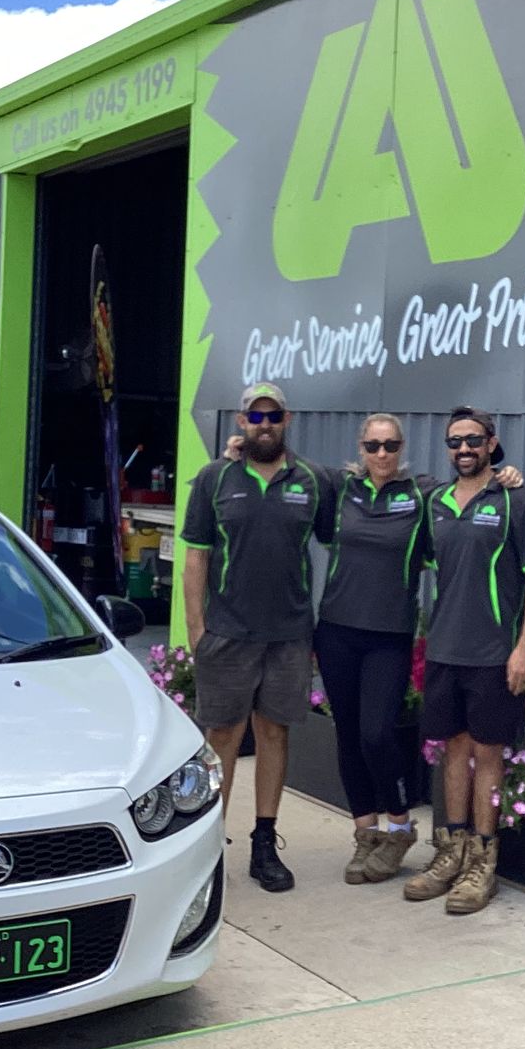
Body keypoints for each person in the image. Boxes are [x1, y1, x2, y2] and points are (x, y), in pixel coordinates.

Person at [223, 417, 524, 885]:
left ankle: (400, 827)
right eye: (372, 446)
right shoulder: (339, 487)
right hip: (337, 631)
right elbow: (285, 463)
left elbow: (470, 487)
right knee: (347, 735)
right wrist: (244, 446)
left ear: (401, 449)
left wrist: (506, 474)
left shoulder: (423, 493)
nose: (381, 454)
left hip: (390, 635)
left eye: (389, 446)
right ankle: (366, 833)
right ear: (360, 448)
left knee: (377, 734)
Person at [180, 382, 337, 893]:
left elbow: (346, 529)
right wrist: (197, 629)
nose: (264, 424)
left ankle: (264, 842)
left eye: (273, 415)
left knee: (274, 733)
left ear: (286, 419)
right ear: (242, 421)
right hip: (226, 634)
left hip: (289, 634)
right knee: (222, 737)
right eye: (255, 415)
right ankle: (208, 844)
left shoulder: (312, 480)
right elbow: (197, 555)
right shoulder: (214, 478)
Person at [404, 406, 525, 915]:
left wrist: (524, 648)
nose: (463, 449)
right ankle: (451, 855)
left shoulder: (518, 500)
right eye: (454, 441)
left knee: (488, 756)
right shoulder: (438, 503)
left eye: (472, 439)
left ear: (492, 443)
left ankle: (482, 865)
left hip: (496, 654)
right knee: (453, 752)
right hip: (446, 650)